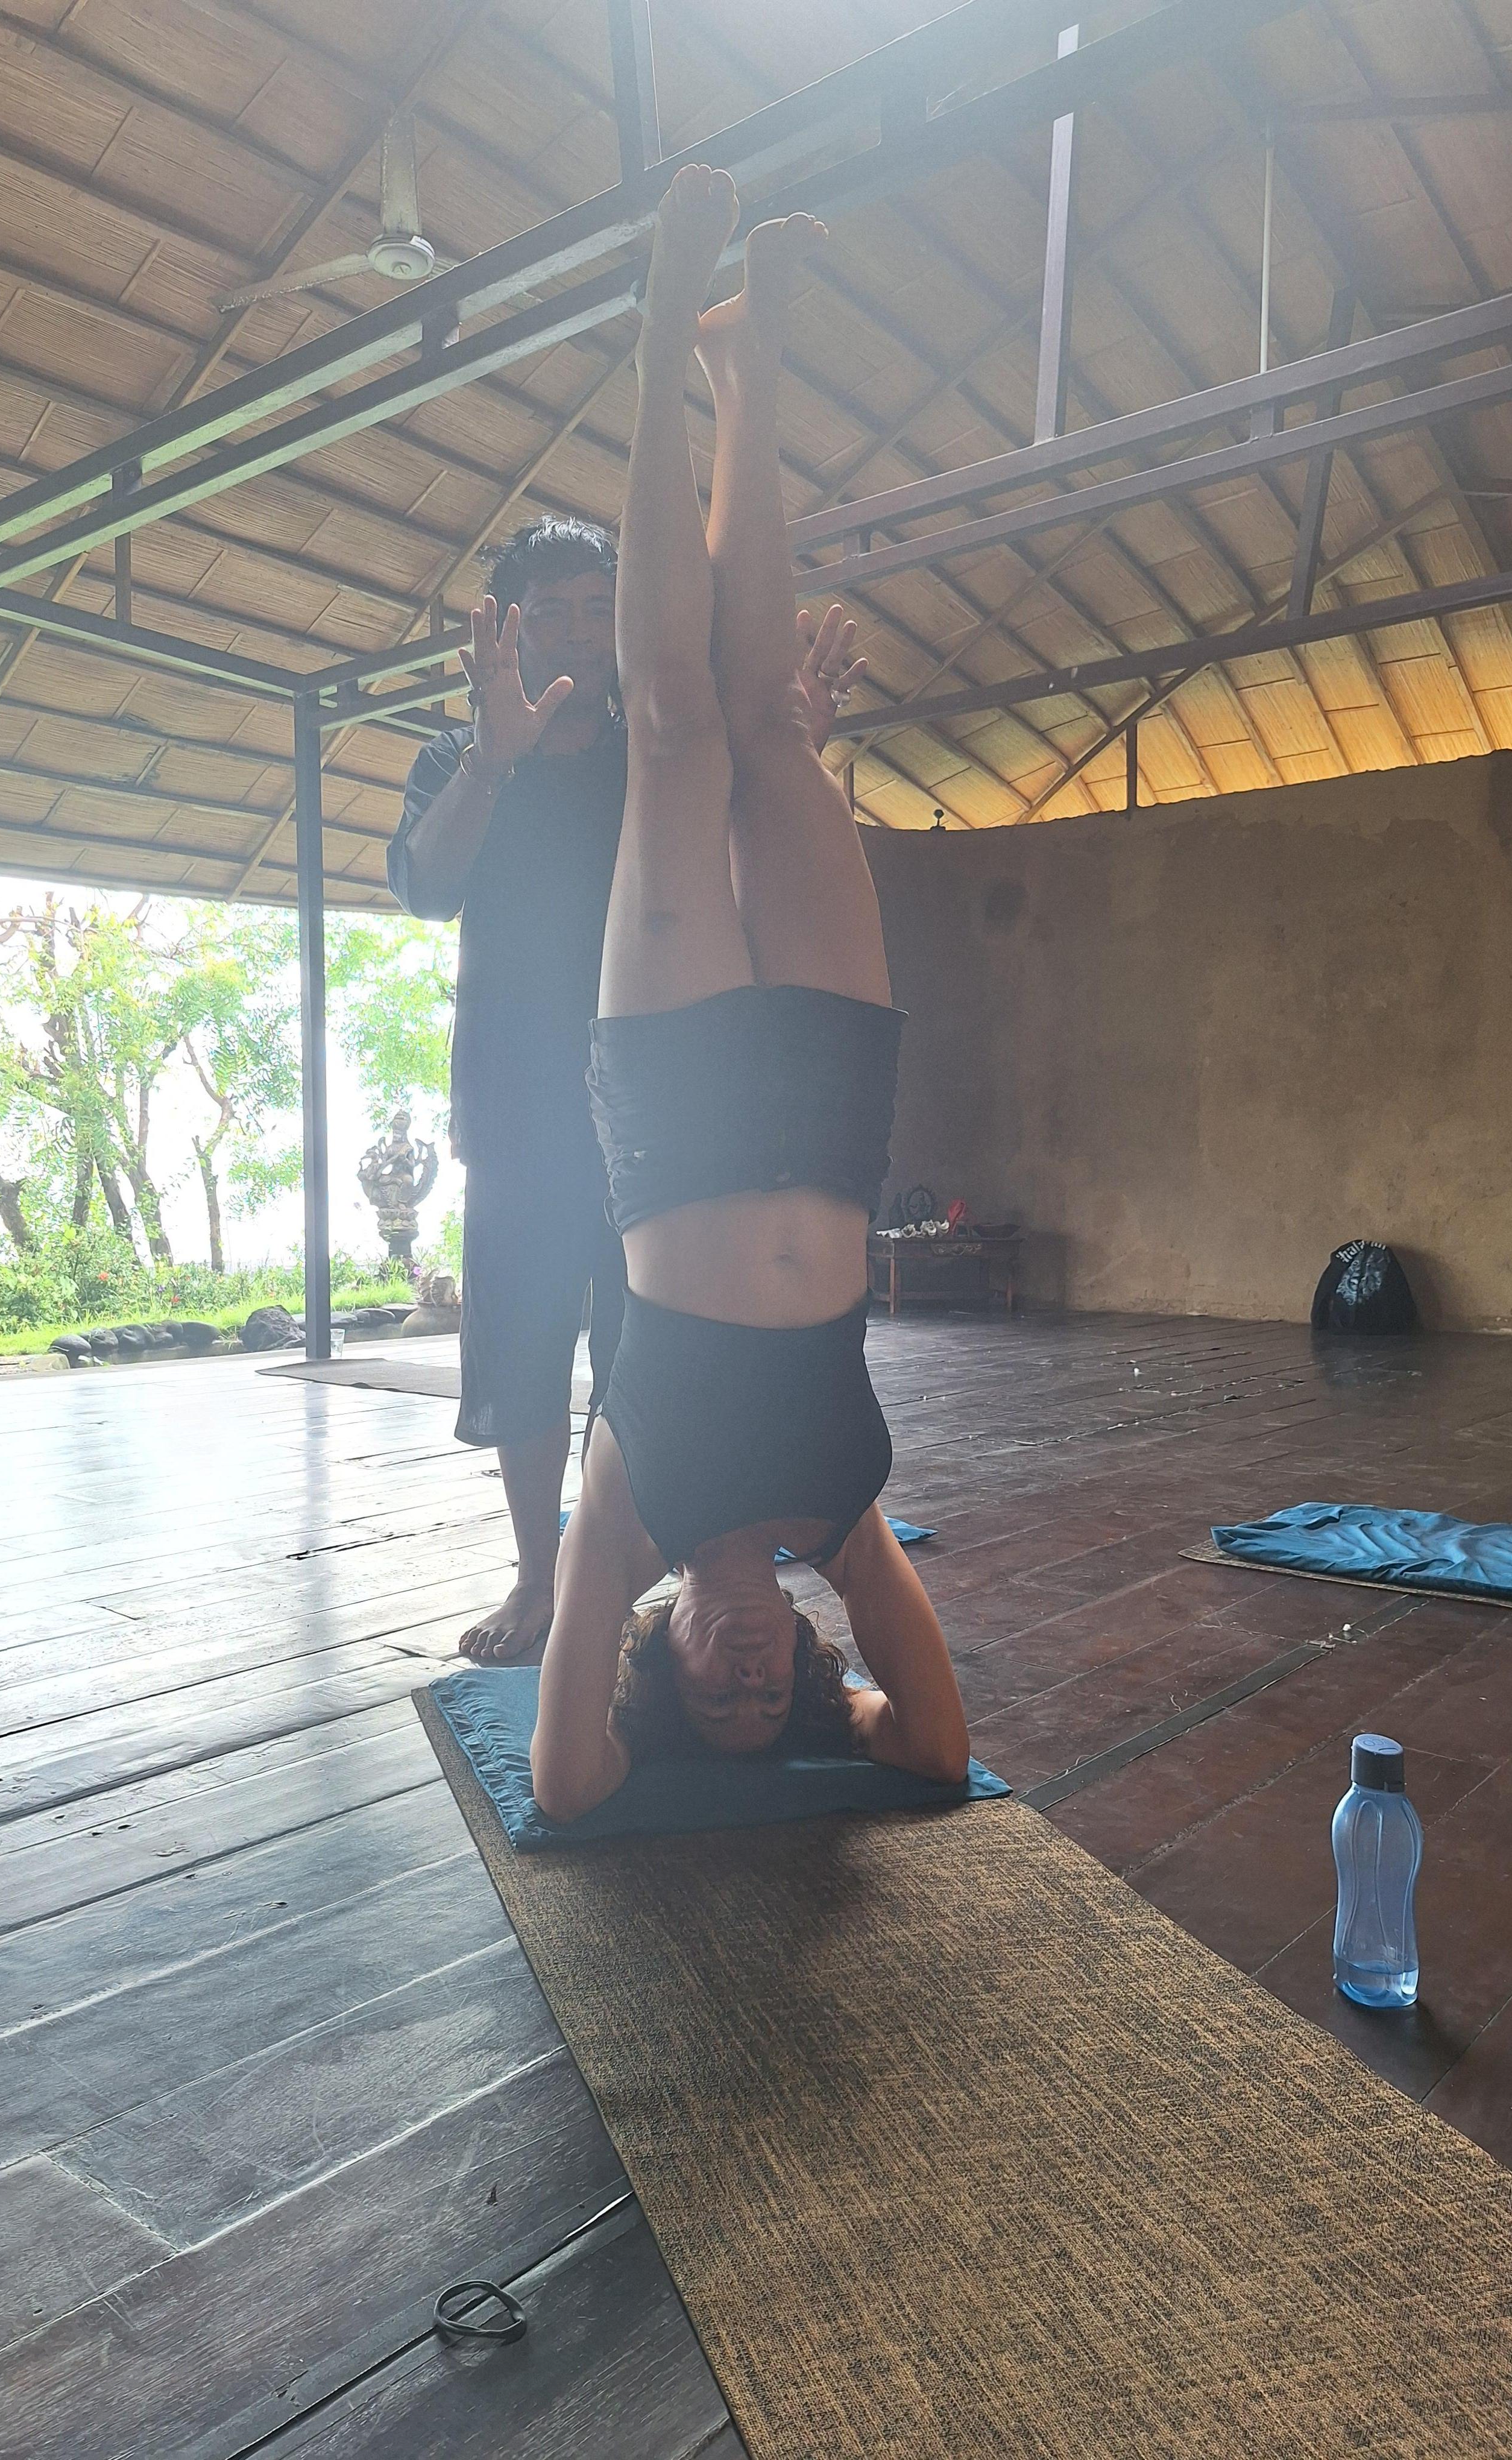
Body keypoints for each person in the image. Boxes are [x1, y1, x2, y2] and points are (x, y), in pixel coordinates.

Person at [528, 165, 970, 1824]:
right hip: (832, 1120)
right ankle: (749, 366)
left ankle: (660, 342)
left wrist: (602, 1630)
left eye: (712, 1698)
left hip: (676, 1122)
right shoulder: (837, 1525)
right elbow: (933, 1750)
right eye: (770, 1696)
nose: (748, 1681)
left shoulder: (626, 1521)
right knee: (775, 732)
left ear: (660, 1664)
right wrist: (845, 1696)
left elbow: (569, 1788)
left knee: (673, 727)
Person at [391, 518, 869, 1667]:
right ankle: (540, 1579)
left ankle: (642, 1559)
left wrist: (792, 755)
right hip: (517, 1104)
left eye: (594, 608)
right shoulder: (462, 758)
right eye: (548, 611)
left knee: (654, 1344)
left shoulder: (660, 757)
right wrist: (493, 759)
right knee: (522, 1346)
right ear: (509, 631)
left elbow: (760, 866)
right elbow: (426, 887)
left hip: (660, 1103)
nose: (575, 632)